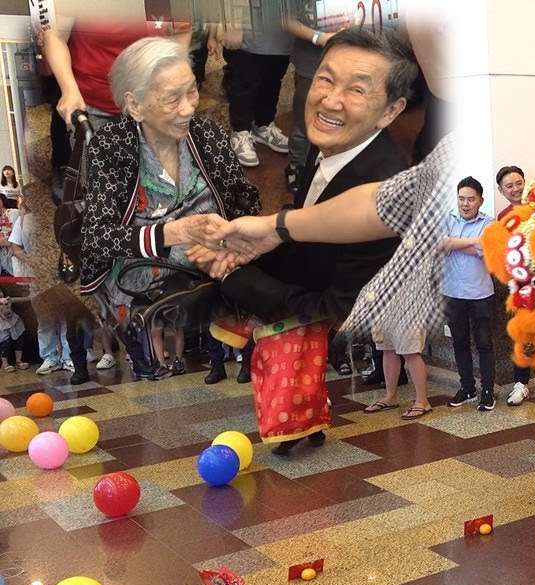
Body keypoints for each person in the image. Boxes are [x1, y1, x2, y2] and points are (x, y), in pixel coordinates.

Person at [191, 28, 415, 449]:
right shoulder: (327, 142)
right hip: (296, 288)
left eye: (357, 90)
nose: (329, 101)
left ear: (390, 111)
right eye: (325, 79)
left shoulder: (385, 191)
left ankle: (298, 427)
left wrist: (233, 279)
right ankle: (307, 424)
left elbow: (330, 308)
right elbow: (300, 232)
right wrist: (243, 251)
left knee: (289, 370)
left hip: (314, 309)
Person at [77, 37, 259, 385]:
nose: (189, 107)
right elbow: (97, 237)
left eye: (191, 92)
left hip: (213, 263)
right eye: (172, 98)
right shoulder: (112, 146)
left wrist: (224, 239)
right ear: (136, 105)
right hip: (144, 270)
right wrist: (173, 233)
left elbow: (245, 199)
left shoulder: (208, 136)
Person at [496, 165, 535, 406]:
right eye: (509, 186)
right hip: (519, 287)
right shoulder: (504, 218)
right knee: (521, 335)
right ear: (501, 191)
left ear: (525, 182)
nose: (515, 189)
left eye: (518, 183)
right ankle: (520, 384)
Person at [441, 177, 497, 411]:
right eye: (461, 198)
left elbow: (487, 248)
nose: (465, 203)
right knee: (459, 342)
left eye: (470, 199)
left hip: (481, 292)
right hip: (452, 291)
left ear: (480, 201)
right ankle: (467, 387)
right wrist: (473, 244)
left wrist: (453, 243)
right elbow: (440, 245)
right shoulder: (446, 219)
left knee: (485, 344)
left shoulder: (490, 223)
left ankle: (487, 391)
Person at [282, 0, 344, 192]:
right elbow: (285, 19)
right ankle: (296, 165)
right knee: (305, 120)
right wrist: (320, 37)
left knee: (339, 117)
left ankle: (329, 163)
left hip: (346, 63)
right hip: (311, 64)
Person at [224, 0, 294, 167]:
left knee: (272, 81)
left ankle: (263, 125)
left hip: (282, 32)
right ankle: (240, 131)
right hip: (249, 28)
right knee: (244, 83)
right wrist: (233, 24)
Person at [0, 296, 26, 372]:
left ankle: (18, 361)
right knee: (5, 343)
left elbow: (14, 299)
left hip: (13, 322)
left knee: (18, 340)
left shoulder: (6, 300)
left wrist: (28, 298)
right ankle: (4, 364)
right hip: (2, 326)